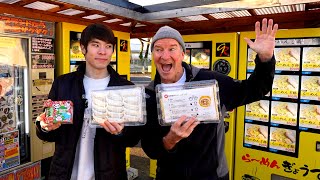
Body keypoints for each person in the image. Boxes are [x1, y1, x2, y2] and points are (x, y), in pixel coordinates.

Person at [141, 18, 278, 180]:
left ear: (182, 53)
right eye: (158, 49)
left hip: (212, 176)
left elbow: (255, 89)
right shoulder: (149, 94)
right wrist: (171, 139)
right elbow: (150, 149)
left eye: (172, 49)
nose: (165, 56)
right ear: (153, 55)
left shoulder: (210, 81)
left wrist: (265, 59)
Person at [35, 24, 140, 180]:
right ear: (83, 48)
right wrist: (44, 127)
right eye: (95, 45)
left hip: (109, 173)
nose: (103, 52)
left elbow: (133, 138)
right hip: (65, 173)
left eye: (108, 46)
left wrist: (121, 132)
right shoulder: (63, 83)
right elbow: (50, 133)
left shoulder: (126, 88)